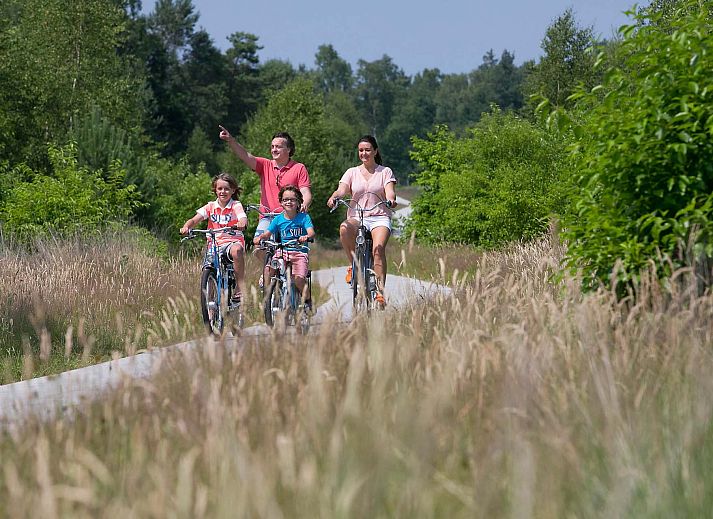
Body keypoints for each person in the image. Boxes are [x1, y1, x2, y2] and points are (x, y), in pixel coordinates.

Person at [327, 135, 397, 307]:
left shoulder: (384, 171)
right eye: (360, 150)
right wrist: (335, 197)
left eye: (367, 150)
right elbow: (342, 189)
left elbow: (390, 191)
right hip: (357, 216)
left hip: (379, 216)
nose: (364, 153)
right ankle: (353, 265)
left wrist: (391, 199)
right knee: (344, 228)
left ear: (375, 151)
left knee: (378, 250)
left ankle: (380, 293)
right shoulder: (351, 172)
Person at [180, 173, 248, 306]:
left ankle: (239, 288)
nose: (223, 192)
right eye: (220, 189)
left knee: (237, 250)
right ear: (215, 190)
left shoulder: (235, 205)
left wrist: (242, 222)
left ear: (233, 190)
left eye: (227, 189)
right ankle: (211, 309)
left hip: (231, 241)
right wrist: (186, 226)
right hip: (215, 244)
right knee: (208, 272)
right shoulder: (210, 206)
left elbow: (242, 217)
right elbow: (195, 219)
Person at [254, 185, 316, 311]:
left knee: (299, 279)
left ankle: (308, 301)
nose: (289, 202)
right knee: (268, 270)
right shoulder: (278, 219)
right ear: (281, 202)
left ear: (298, 201)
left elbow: (311, 232)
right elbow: (268, 233)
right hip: (282, 252)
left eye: (292, 199)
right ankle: (269, 297)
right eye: (285, 199)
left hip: (299, 253)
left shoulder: (304, 217)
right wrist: (261, 238)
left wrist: (306, 236)